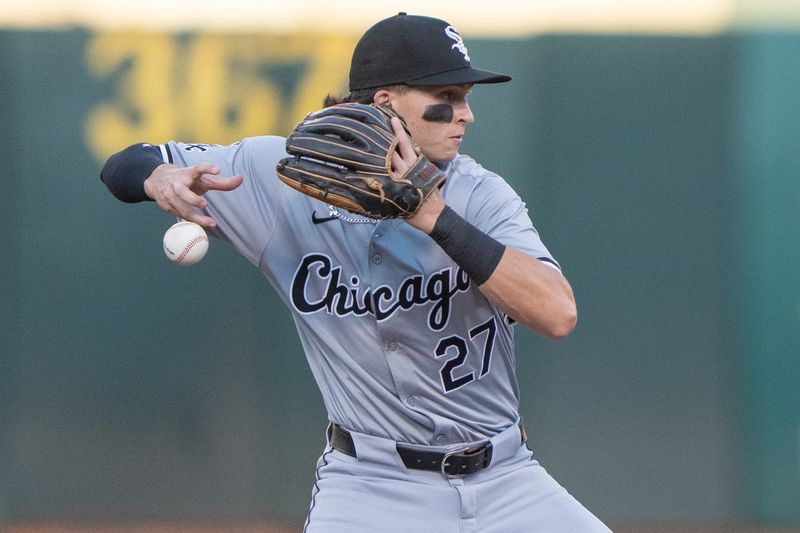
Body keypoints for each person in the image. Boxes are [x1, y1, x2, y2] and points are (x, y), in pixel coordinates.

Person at [100, 12, 612, 533]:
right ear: (387, 105)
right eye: (448, 98)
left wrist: (431, 216)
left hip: (506, 479)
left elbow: (557, 314)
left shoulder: (480, 196)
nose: (465, 115)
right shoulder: (279, 180)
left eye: (466, 98)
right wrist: (160, 177)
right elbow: (124, 165)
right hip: (371, 486)